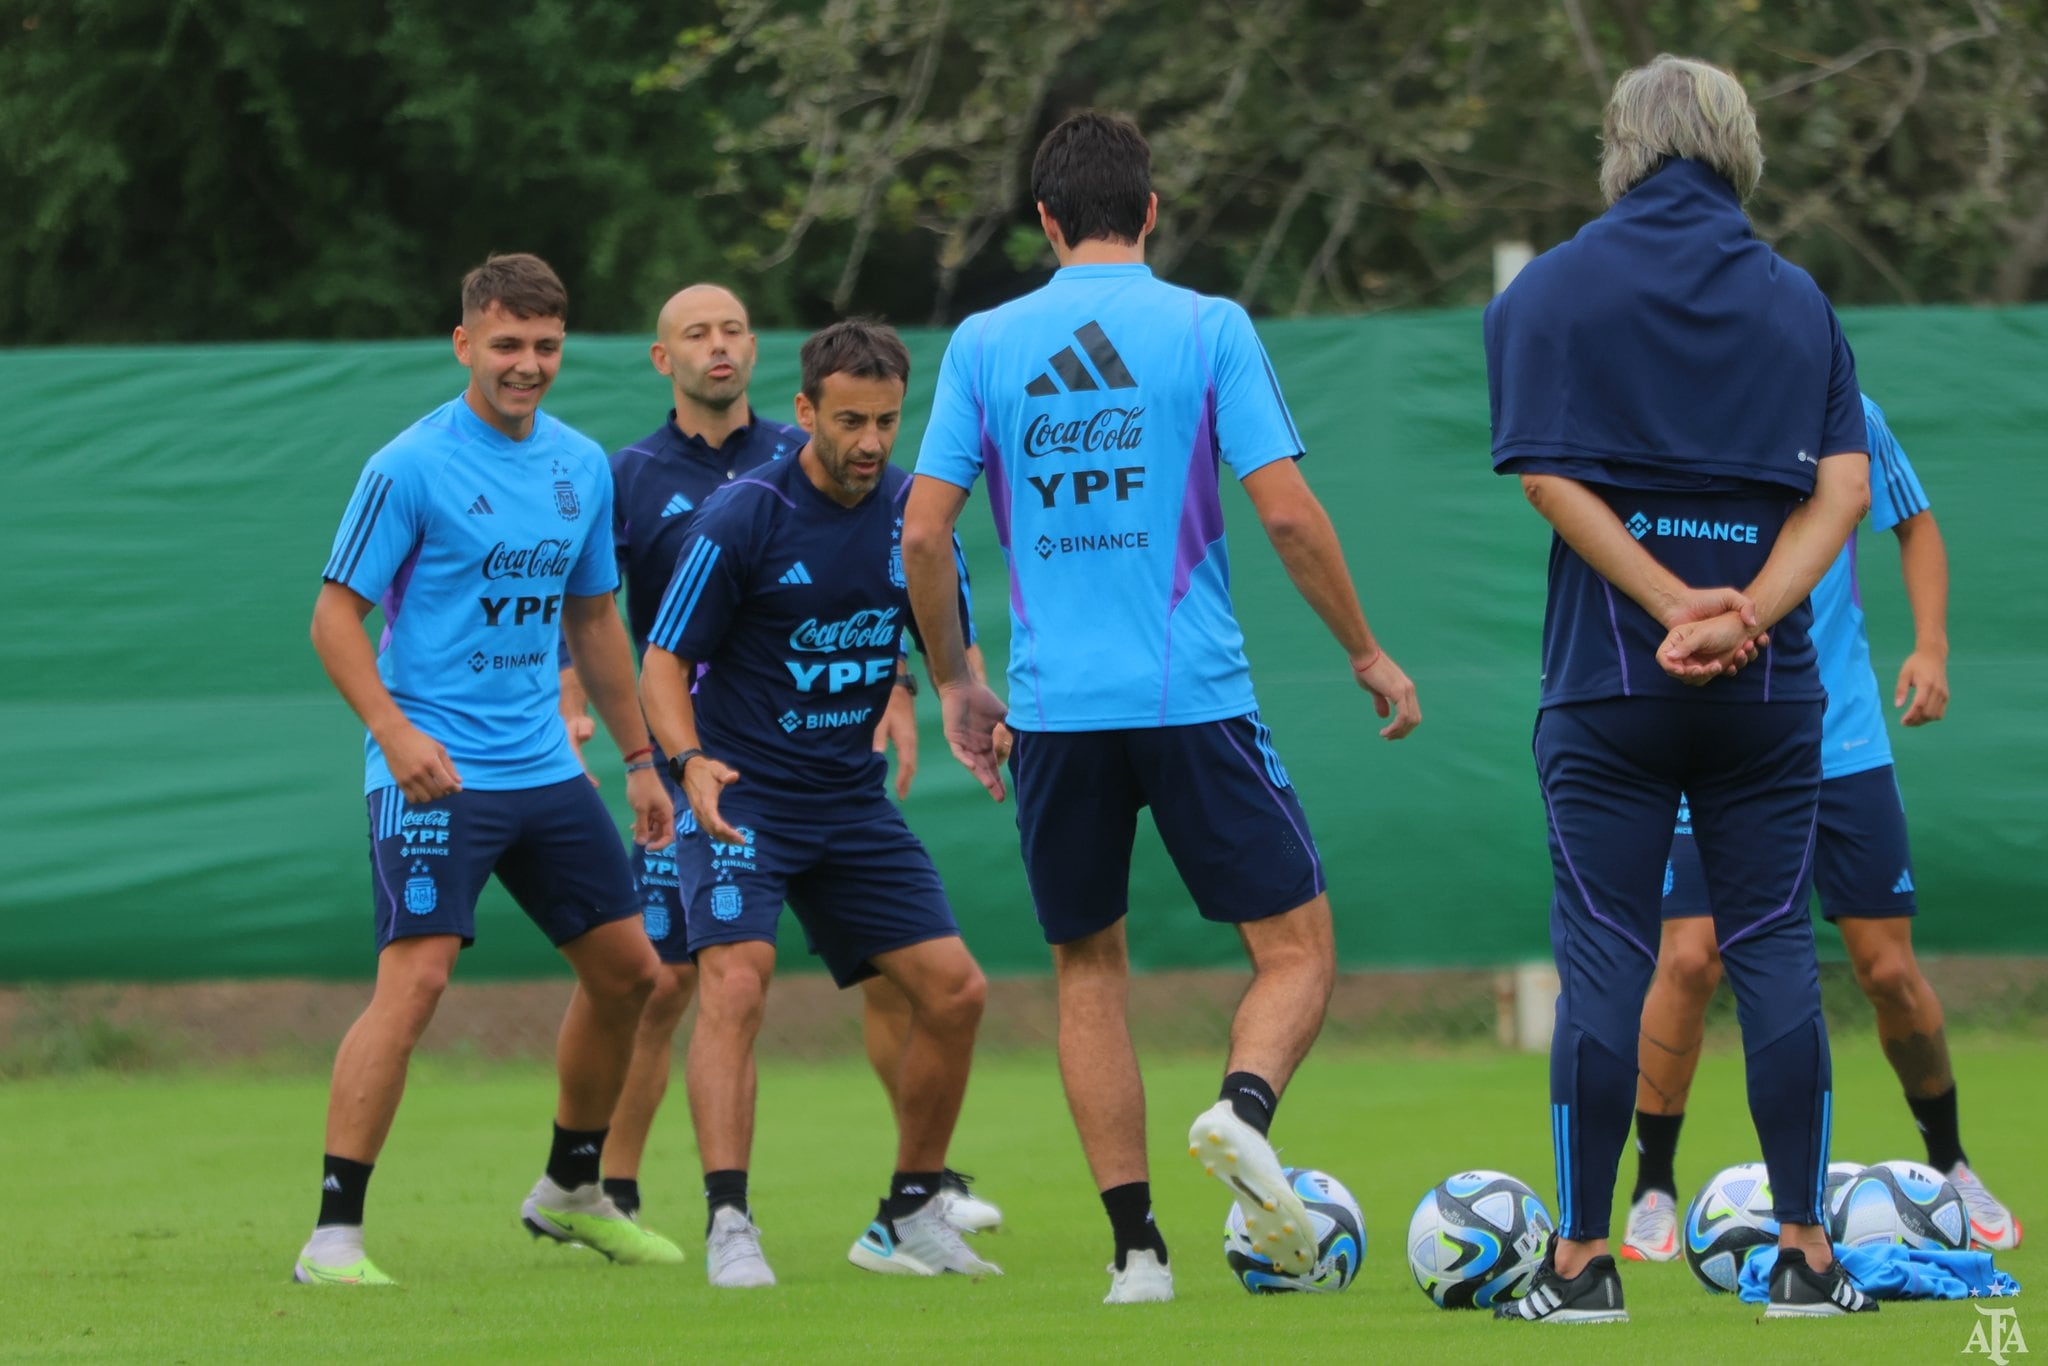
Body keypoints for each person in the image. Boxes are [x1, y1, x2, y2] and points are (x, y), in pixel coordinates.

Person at [901, 111, 1421, 1306]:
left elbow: (922, 530)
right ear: (1149, 210)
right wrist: (1365, 651)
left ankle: (1135, 1254)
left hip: (1053, 713)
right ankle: (1241, 1110)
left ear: (1041, 222)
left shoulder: (984, 341)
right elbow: (1286, 515)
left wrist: (955, 681)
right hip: (1190, 698)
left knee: (1088, 968)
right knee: (1294, 948)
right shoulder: (1205, 327)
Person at [1485, 55, 1877, 1322]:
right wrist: (1748, 612)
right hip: (1768, 694)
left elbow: (1545, 476)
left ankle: (1582, 1264)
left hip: (1606, 685)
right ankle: (1806, 1256)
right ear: (1733, 147)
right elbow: (1844, 492)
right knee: (1771, 951)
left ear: (1621, 147)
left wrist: (1668, 609)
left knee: (1603, 955)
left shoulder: (1549, 289)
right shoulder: (1799, 301)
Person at [553, 283, 1000, 1237]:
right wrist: (672, 760)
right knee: (696, 979)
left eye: (886, 420)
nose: (872, 440)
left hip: (848, 797)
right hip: (734, 792)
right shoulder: (705, 500)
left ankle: (916, 1203)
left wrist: (953, 702)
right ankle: (687, 1208)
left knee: (950, 989)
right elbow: (640, 644)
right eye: (852, 421)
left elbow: (943, 644)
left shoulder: (916, 515)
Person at [295, 253, 682, 1285]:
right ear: (465, 343)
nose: (527, 365)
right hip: (431, 766)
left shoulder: (580, 466)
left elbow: (595, 621)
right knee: (415, 980)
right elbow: (334, 618)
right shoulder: (410, 465)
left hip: (543, 768)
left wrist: (642, 760)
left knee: (631, 973)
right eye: (506, 345)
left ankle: (569, 1191)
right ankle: (333, 1236)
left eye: (545, 346)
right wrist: (393, 732)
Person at [1621, 395, 2019, 1259]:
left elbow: (1913, 523)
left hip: (1843, 740)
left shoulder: (1845, 409)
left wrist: (1932, 646)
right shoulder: (1674, 405)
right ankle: (1653, 1182)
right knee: (1690, 955)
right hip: (1715, 732)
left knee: (1886, 970)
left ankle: (1950, 1162)